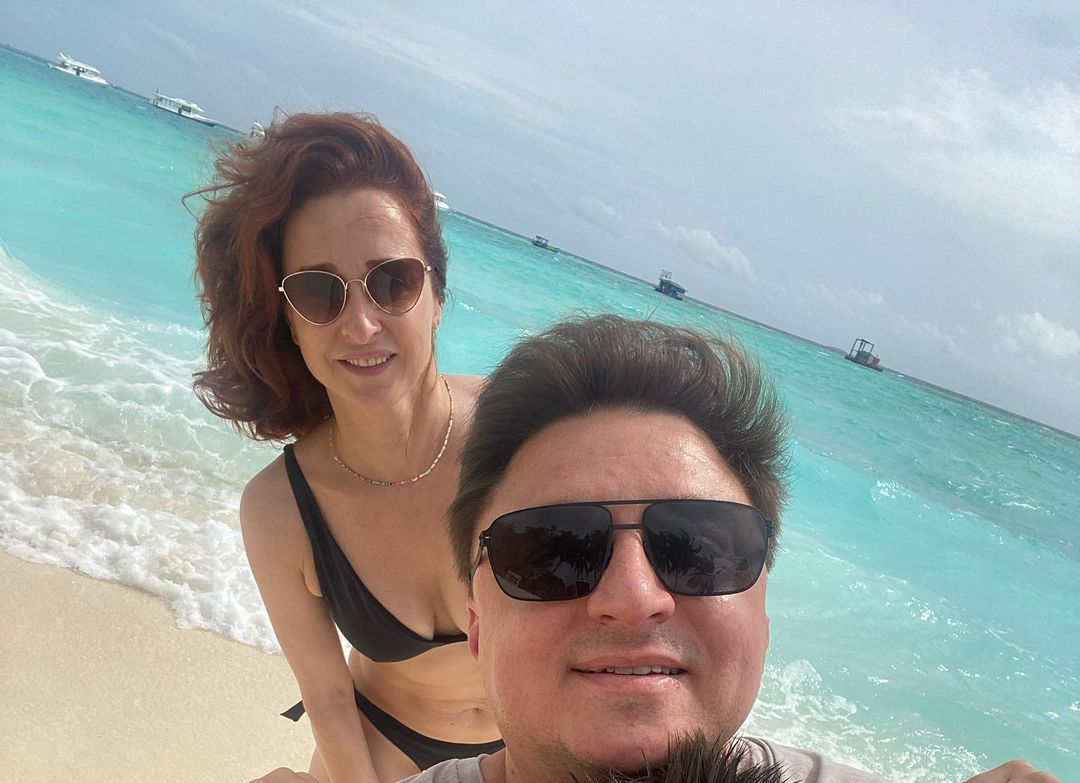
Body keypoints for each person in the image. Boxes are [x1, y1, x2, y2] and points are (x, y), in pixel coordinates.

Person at [192, 112, 501, 783]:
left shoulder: (518, 431)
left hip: (533, 747)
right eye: (317, 291)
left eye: (392, 281)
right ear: (289, 323)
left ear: (437, 296)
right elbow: (328, 698)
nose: (361, 324)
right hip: (383, 746)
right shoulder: (281, 508)